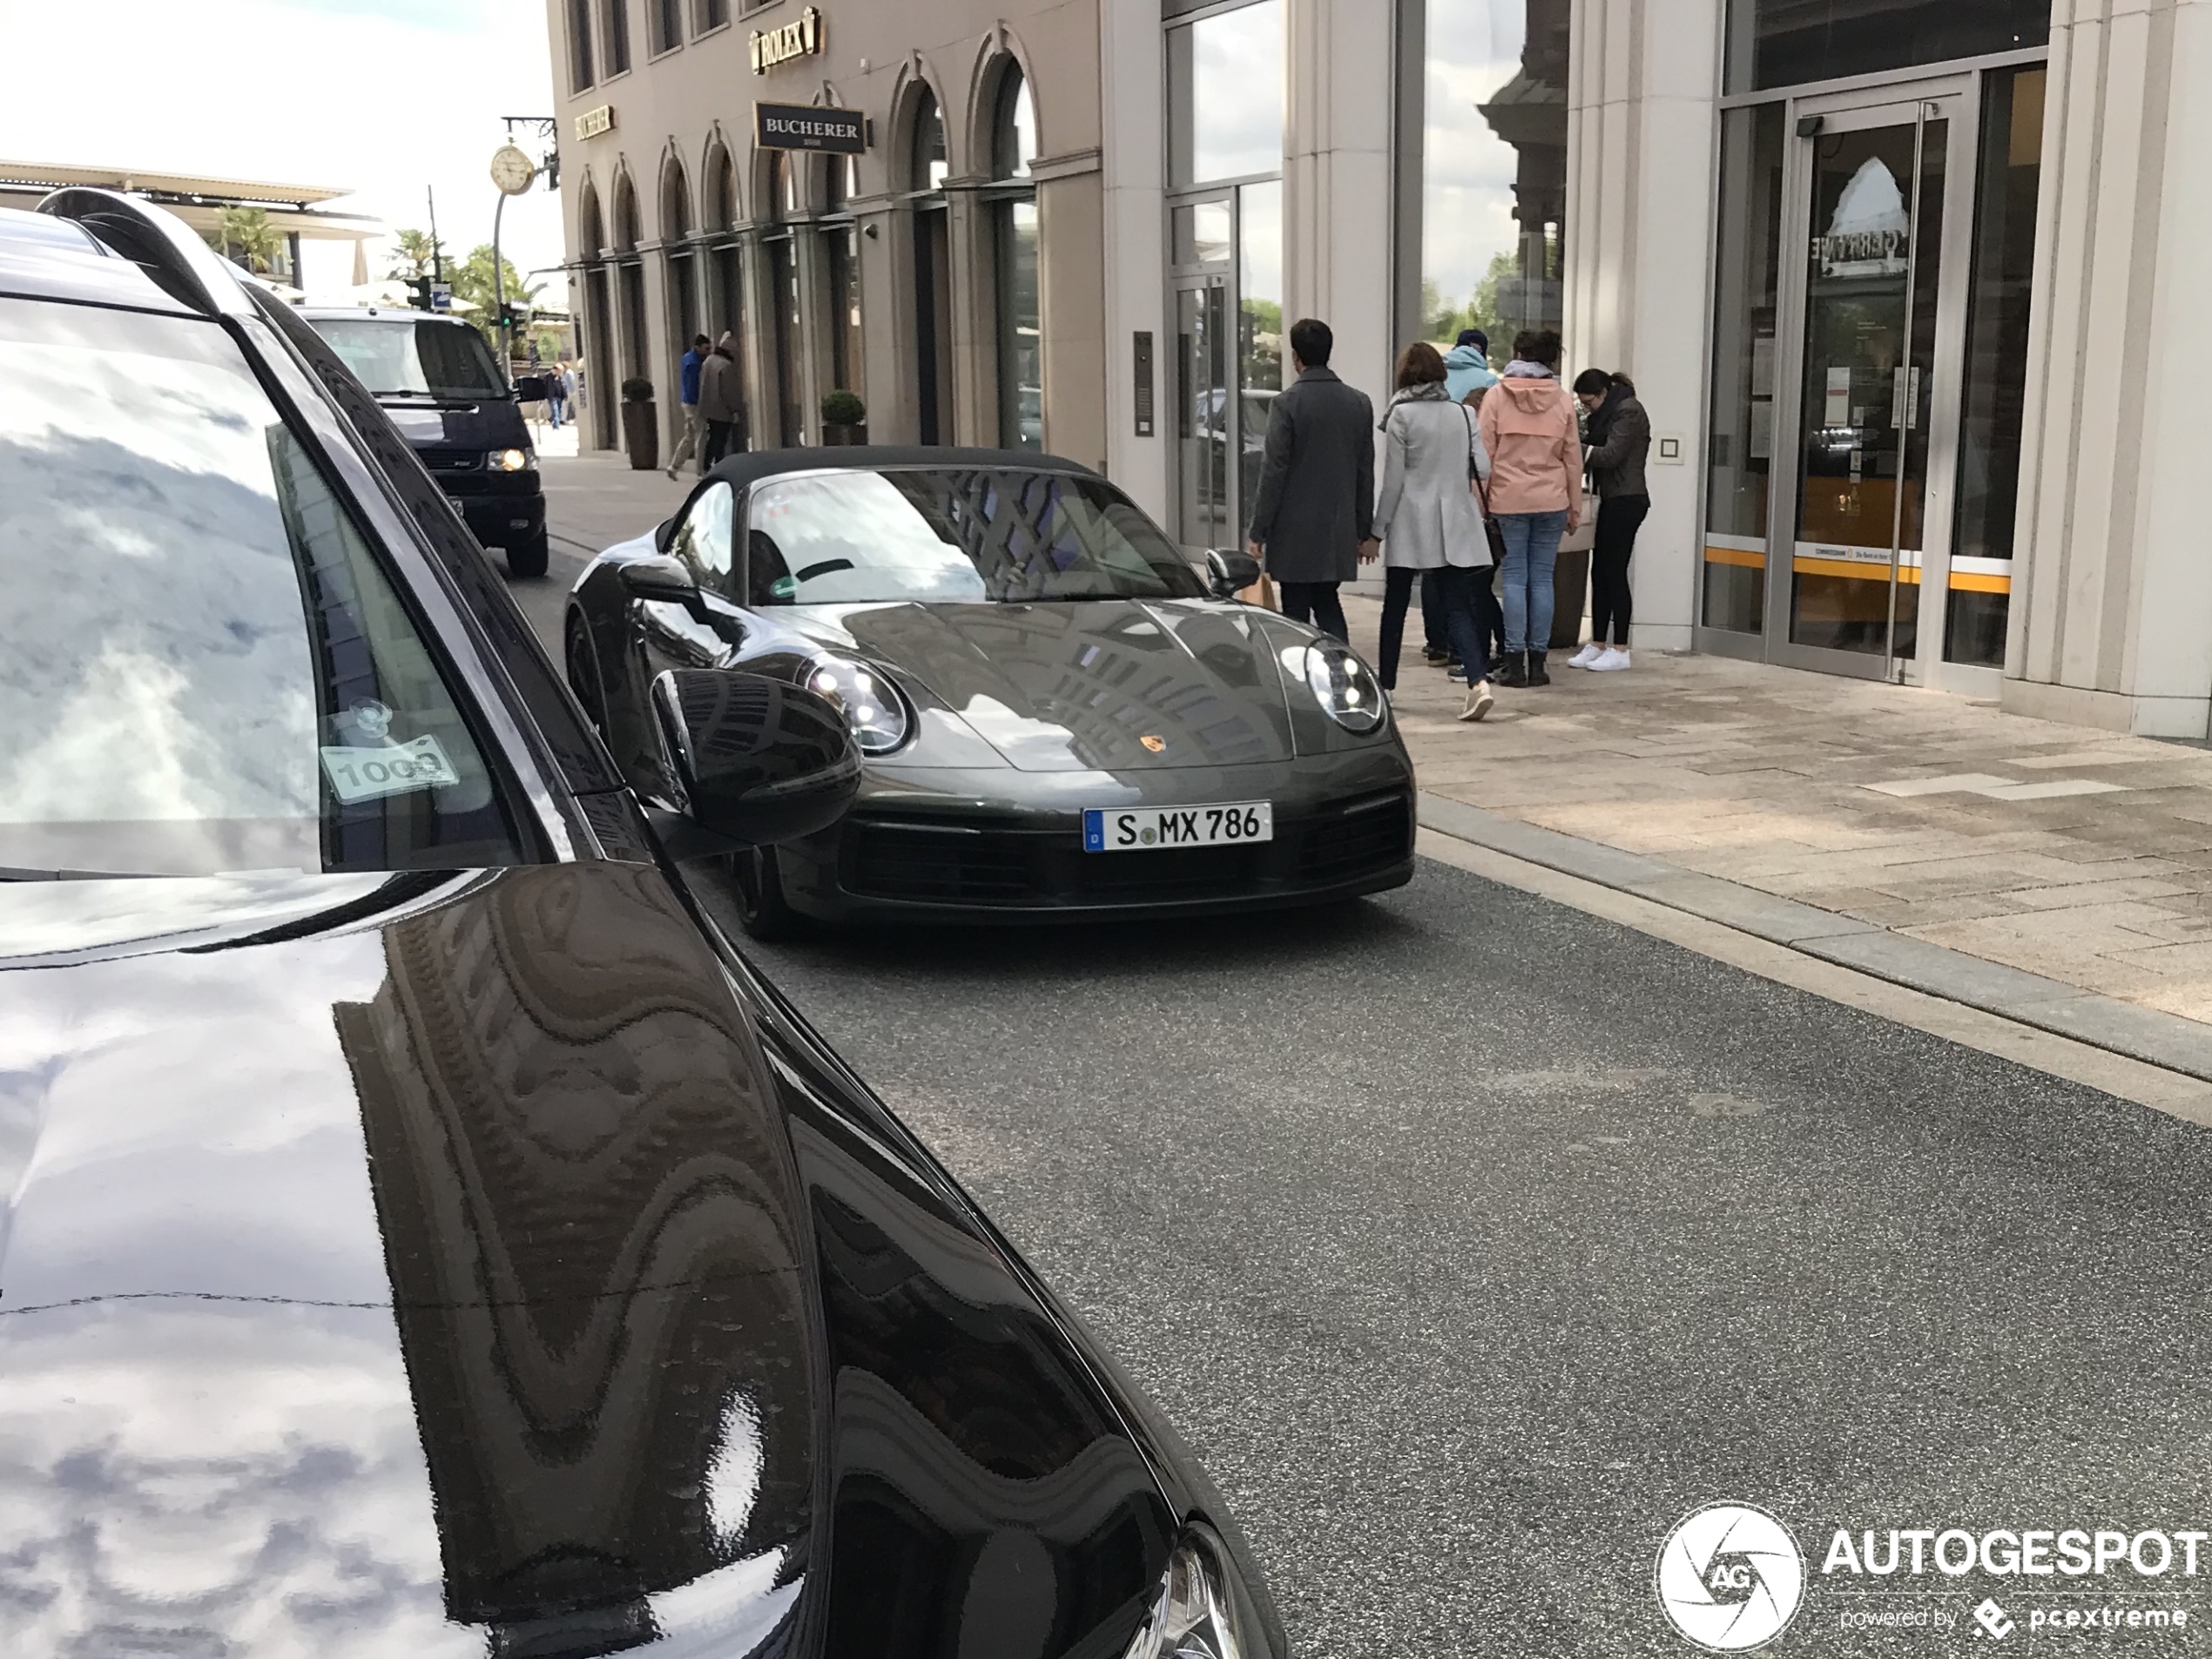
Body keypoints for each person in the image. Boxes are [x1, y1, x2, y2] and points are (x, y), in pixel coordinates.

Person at [1372, 342, 1495, 723]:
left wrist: (1378, 529)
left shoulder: (1401, 415)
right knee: (1458, 605)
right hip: (1456, 517)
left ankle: (1387, 686)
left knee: (1395, 606)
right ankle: (1478, 682)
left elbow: (1393, 480)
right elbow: (1484, 467)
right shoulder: (1463, 413)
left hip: (1412, 520)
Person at [1247, 318, 1374, 641]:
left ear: (1295, 357)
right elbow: (1364, 470)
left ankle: (1299, 676)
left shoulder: (1286, 404)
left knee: (1295, 613)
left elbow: (1274, 470)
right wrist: (1363, 528)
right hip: (1337, 528)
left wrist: (1259, 530)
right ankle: (1342, 671)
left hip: (1295, 530)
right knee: (1328, 602)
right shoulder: (1359, 403)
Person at [1477, 327, 1582, 686]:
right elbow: (1573, 458)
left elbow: (1483, 458)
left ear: (1518, 354)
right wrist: (1574, 506)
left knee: (1515, 580)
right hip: (1552, 498)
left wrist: (1481, 503)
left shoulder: (1495, 397)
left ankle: (1514, 663)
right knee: (1542, 579)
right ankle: (1539, 663)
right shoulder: (1563, 400)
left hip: (1508, 499)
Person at [1570, 368, 1652, 672]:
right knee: (1600, 572)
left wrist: (1573, 448)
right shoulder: (1608, 412)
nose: (1587, 408)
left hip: (1627, 500)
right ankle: (1598, 643)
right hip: (1611, 498)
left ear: (1603, 393)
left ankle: (1620, 648)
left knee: (1614, 572)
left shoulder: (1628, 410)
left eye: (1589, 402)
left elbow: (1611, 455)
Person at [665, 333, 710, 479]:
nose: (708, 351)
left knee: (689, 437)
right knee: (700, 437)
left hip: (688, 403)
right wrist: (700, 405)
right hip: (694, 404)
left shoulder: (688, 358)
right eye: (706, 348)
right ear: (697, 347)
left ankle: (674, 466)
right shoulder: (694, 363)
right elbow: (693, 387)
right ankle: (700, 472)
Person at [699, 333, 744, 468]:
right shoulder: (726, 365)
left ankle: (706, 466)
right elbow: (729, 390)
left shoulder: (708, 361)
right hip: (722, 410)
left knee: (712, 439)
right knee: (721, 441)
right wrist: (735, 409)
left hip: (709, 408)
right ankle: (719, 466)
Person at [546, 360, 569, 430]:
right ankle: (556, 425)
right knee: (555, 410)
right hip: (552, 397)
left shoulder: (560, 378)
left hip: (559, 396)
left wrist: (565, 395)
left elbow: (563, 386)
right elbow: (547, 385)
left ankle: (552, 420)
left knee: (557, 411)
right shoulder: (549, 377)